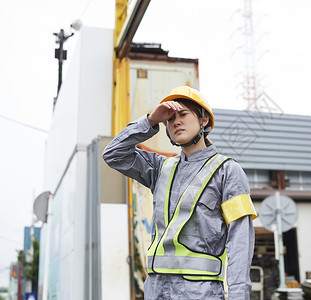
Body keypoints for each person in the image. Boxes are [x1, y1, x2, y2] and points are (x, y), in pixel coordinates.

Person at [103, 86, 258, 300]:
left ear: (204, 120)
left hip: (201, 293)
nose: (176, 121)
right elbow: (113, 154)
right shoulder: (160, 169)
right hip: (156, 290)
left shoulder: (227, 171)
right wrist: (150, 121)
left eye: (183, 114)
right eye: (170, 118)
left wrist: (239, 296)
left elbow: (240, 240)